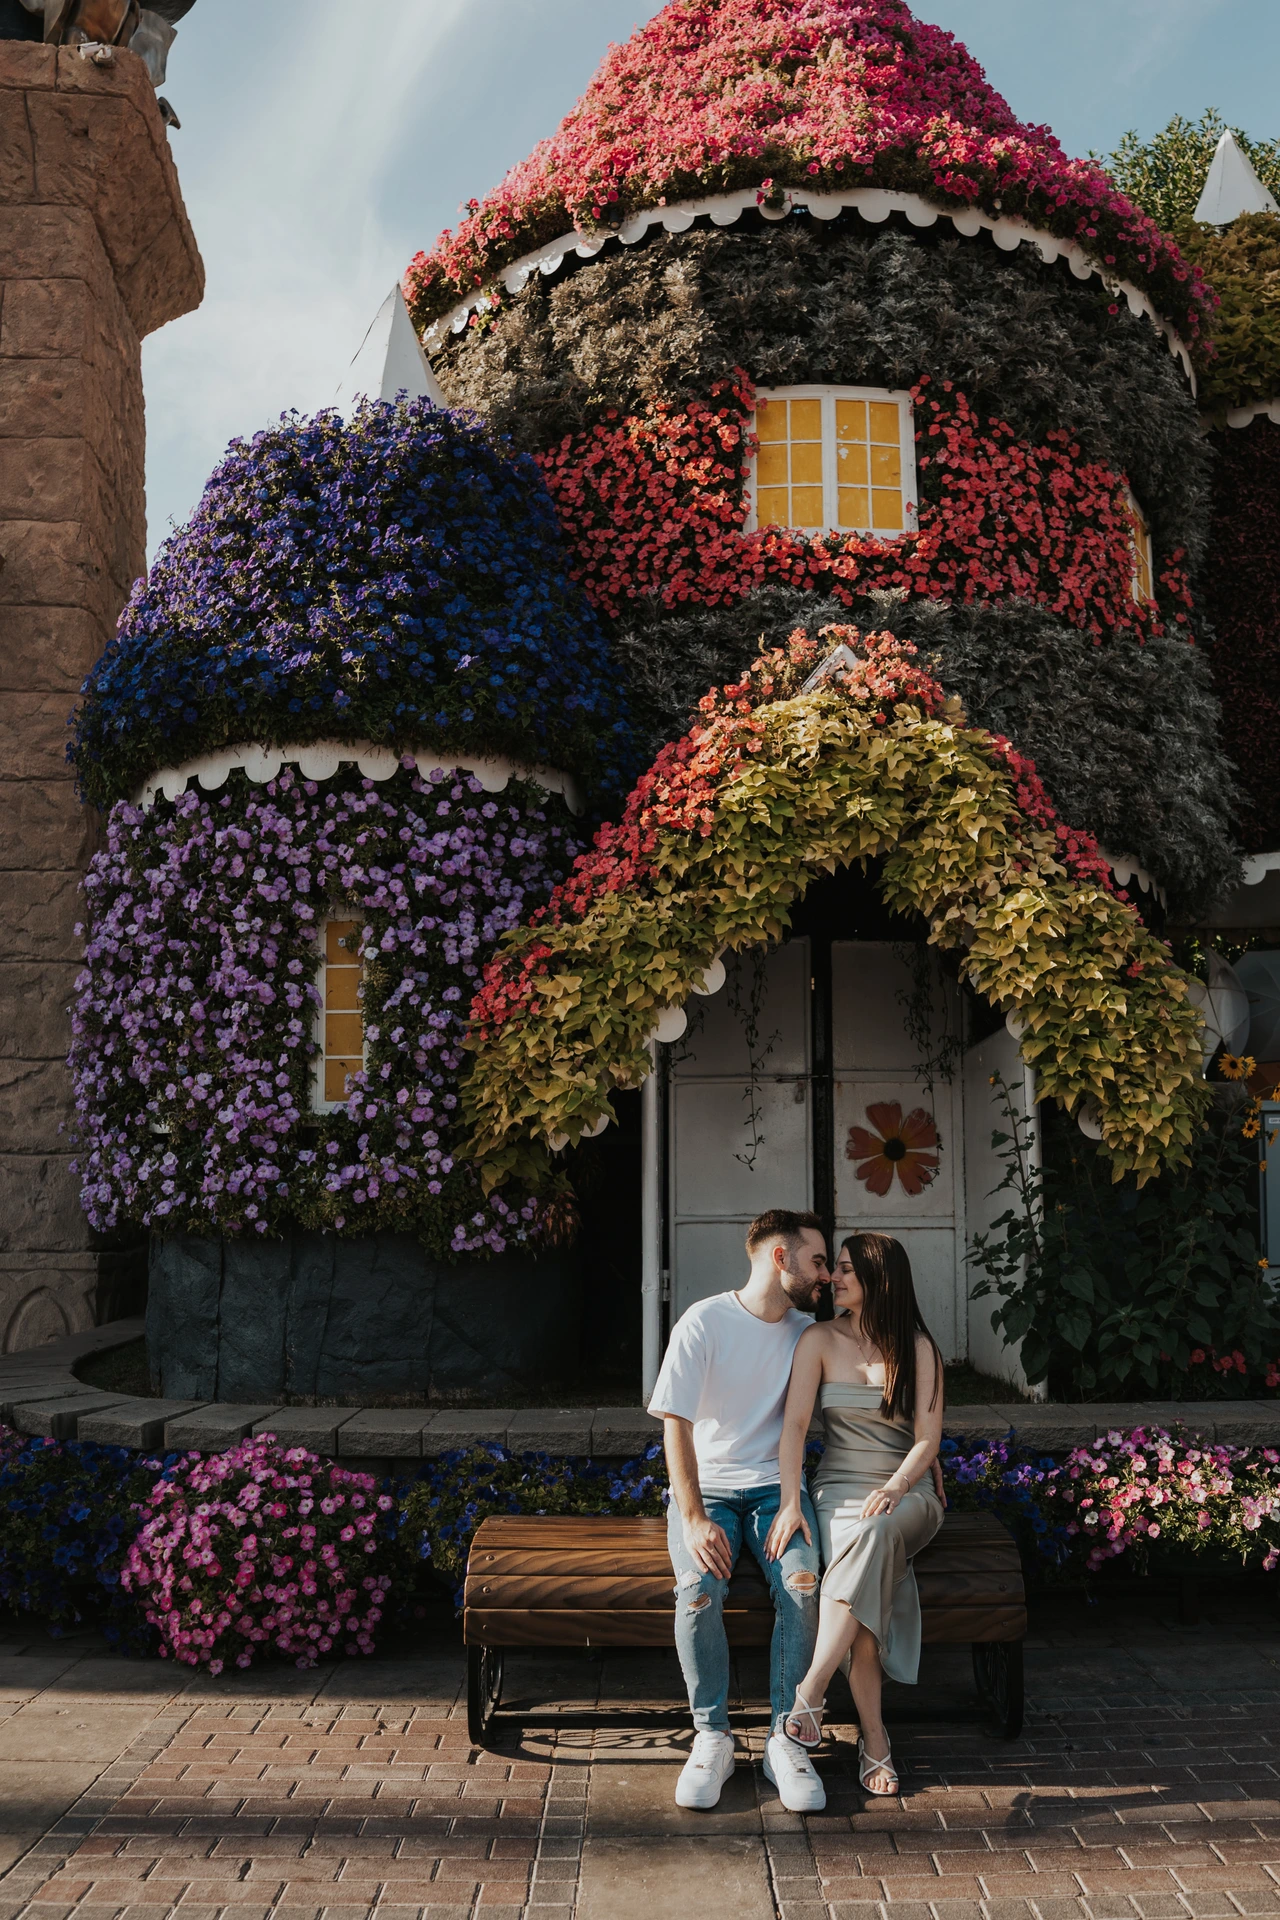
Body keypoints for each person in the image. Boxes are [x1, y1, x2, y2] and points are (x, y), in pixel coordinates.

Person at [647, 1208, 831, 1814]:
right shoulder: (704, 1321)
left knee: (804, 1583)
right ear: (781, 1258)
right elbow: (675, 1423)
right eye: (817, 1261)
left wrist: (788, 1501)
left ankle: (786, 1736)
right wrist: (694, 1515)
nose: (825, 1275)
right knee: (698, 1587)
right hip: (712, 1491)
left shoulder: (808, 1332)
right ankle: (713, 1737)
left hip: (777, 1489)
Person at [765, 1230, 945, 1797]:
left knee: (876, 1532)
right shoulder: (818, 1339)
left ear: (877, 1280)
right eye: (834, 1268)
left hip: (905, 1493)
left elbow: (927, 1440)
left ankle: (811, 1694)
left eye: (845, 1270)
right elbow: (794, 1426)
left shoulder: (918, 1349)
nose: (832, 1279)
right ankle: (875, 1739)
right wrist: (791, 1500)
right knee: (862, 1596)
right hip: (836, 1491)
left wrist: (898, 1485)